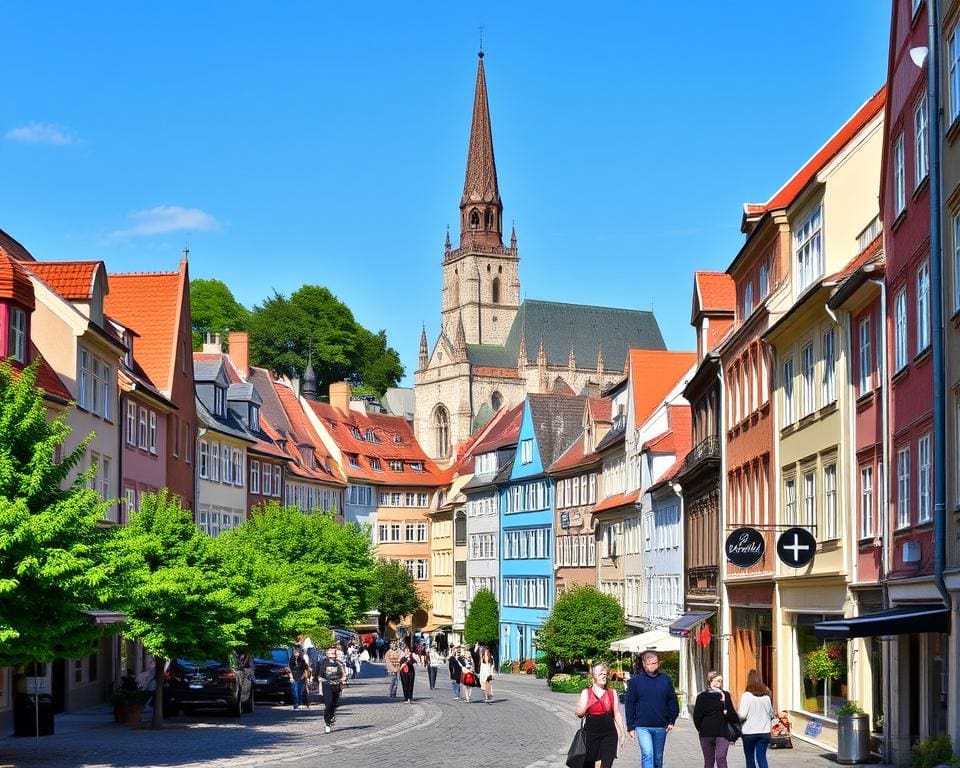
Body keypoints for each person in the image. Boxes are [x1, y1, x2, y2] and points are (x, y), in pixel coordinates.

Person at [625, 651, 679, 768]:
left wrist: (672, 720)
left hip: (661, 725)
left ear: (658, 663)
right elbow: (630, 704)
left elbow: (672, 700)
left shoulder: (665, 680)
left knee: (658, 757)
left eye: (655, 663)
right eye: (649, 663)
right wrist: (630, 726)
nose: (652, 666)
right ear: (644, 664)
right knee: (647, 754)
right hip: (642, 725)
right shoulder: (635, 682)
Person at [575, 662, 627, 768]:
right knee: (588, 765)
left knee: (606, 764)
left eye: (605, 674)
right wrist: (586, 705)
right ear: (593, 676)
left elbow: (617, 714)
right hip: (591, 733)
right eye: (600, 673)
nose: (603, 676)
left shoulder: (612, 692)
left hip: (609, 734)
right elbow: (579, 713)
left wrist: (622, 734)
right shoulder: (586, 692)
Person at [693, 671, 740, 768]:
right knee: (709, 762)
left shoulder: (725, 695)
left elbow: (733, 717)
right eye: (718, 681)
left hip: (722, 733)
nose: (720, 683)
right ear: (711, 681)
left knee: (721, 758)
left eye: (721, 681)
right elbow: (697, 717)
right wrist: (701, 729)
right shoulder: (702, 696)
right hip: (706, 734)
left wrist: (725, 703)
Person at [739, 670, 776, 768]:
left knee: (750, 758)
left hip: (749, 732)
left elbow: (742, 715)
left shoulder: (746, 696)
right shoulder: (766, 697)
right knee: (762, 757)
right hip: (764, 732)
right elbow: (771, 714)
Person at [317, 644, 347, 734]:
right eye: (331, 652)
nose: (333, 654)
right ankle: (327, 723)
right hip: (327, 686)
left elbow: (344, 675)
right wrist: (324, 681)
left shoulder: (339, 663)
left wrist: (342, 680)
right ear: (327, 653)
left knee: (334, 704)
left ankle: (332, 715)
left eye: (334, 652)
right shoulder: (322, 663)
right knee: (328, 704)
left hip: (337, 686)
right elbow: (318, 676)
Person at [288, 645, 312, 710]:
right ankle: (296, 704)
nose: (295, 652)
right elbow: (289, 668)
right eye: (294, 651)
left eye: (297, 651)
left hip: (301, 677)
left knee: (301, 691)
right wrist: (291, 677)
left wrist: (306, 678)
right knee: (294, 691)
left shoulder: (303, 659)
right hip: (294, 677)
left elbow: (306, 669)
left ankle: (301, 704)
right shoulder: (291, 659)